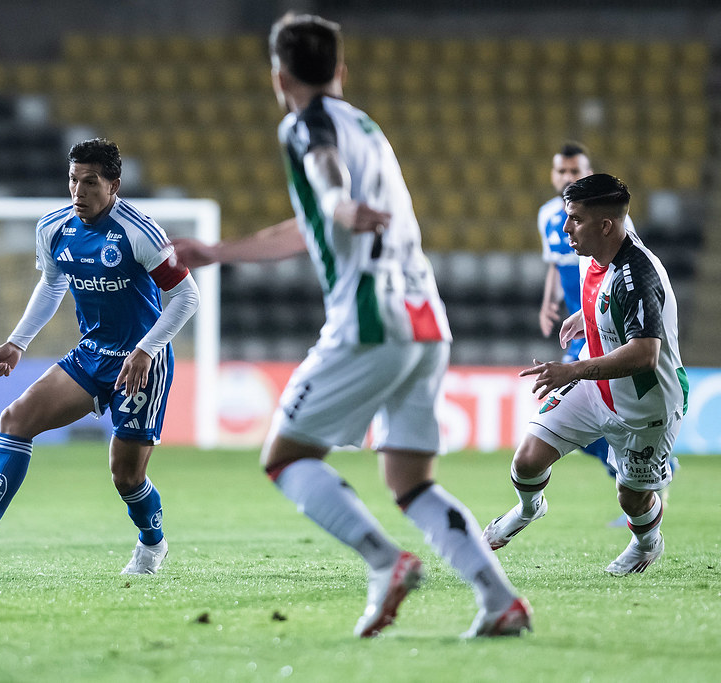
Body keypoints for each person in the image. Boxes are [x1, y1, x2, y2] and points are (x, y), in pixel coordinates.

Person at [173, 13, 529, 638]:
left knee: (285, 456)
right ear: (340, 70)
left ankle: (384, 562)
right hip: (425, 321)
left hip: (370, 320)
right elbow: (313, 227)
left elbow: (324, 174)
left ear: (279, 76)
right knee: (411, 481)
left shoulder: (304, 124)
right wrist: (217, 251)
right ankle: (499, 601)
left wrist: (338, 203)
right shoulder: (369, 127)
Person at [0, 138, 199, 575]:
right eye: (73, 180)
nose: (78, 192)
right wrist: (17, 342)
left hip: (141, 362)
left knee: (126, 476)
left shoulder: (139, 233)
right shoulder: (54, 228)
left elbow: (186, 296)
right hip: (91, 354)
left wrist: (147, 350)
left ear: (114, 186)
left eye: (91, 183)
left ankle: (152, 544)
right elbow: (52, 285)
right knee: (16, 420)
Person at [483, 174, 686, 575]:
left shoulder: (638, 276)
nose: (565, 228)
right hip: (597, 390)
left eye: (574, 219)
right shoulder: (592, 251)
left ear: (605, 225)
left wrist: (570, 369)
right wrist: (587, 316)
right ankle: (530, 507)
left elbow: (646, 354)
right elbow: (605, 293)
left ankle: (647, 544)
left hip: (646, 405)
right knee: (527, 460)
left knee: (632, 498)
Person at [538, 143, 633, 481]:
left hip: (604, 326)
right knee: (570, 408)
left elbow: (624, 267)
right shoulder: (547, 216)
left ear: (588, 174)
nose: (566, 177)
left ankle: (638, 469)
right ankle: (632, 467)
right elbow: (555, 263)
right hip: (579, 326)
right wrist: (549, 301)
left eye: (574, 171)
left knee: (566, 406)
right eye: (561, 171)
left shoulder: (606, 219)